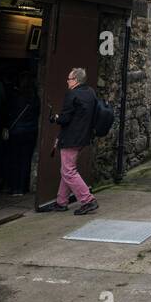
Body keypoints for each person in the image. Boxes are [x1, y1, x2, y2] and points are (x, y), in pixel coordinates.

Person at [50, 67, 98, 214]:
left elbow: (65, 118)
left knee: (68, 171)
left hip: (71, 138)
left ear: (75, 80)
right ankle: (61, 202)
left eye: (69, 79)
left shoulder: (72, 95)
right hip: (83, 137)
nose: (67, 81)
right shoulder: (90, 93)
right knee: (67, 169)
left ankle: (87, 200)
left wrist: (56, 118)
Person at [3, 71, 40, 197]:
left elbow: (8, 112)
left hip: (16, 131)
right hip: (30, 131)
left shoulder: (15, 96)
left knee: (14, 159)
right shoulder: (34, 98)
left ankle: (14, 187)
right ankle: (22, 187)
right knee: (25, 160)